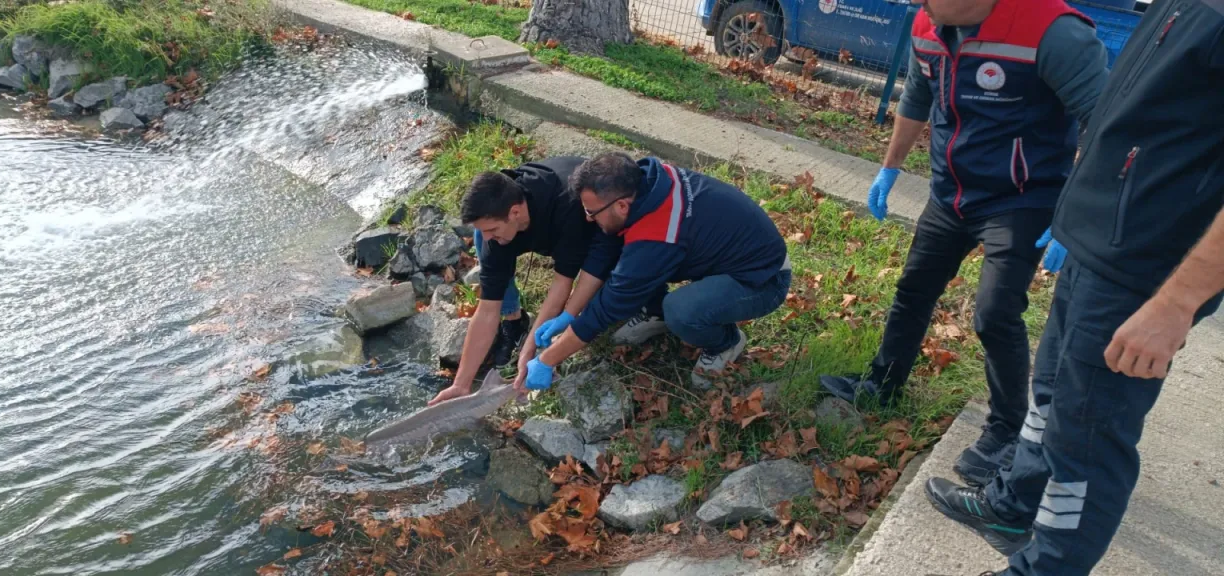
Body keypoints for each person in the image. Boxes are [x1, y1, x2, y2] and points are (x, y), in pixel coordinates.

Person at [922, 0, 1224, 573]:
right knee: (1050, 399)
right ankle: (1012, 506)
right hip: (1094, 239)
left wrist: (1177, 303)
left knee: (1088, 443)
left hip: (1143, 272)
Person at [818, 0, 1110, 487]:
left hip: (1022, 199)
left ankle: (1007, 430)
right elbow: (916, 97)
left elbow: (1105, 124)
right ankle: (882, 384)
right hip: (952, 193)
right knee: (913, 289)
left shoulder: (1052, 31)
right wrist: (889, 168)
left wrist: (1073, 211)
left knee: (995, 313)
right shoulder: (927, 24)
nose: (920, 4)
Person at [527, 152, 791, 390]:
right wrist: (569, 314)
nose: (587, 218)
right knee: (628, 260)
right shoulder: (645, 182)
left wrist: (547, 360)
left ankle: (726, 342)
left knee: (681, 310)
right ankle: (655, 312)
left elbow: (607, 307)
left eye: (591, 211)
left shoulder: (657, 235)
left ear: (620, 206)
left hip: (763, 278)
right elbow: (606, 248)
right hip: (726, 254)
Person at [427, 157, 620, 406]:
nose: (488, 238)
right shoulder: (499, 222)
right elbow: (487, 310)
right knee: (485, 244)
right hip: (531, 224)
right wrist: (461, 384)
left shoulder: (568, 207)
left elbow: (562, 285)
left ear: (515, 213)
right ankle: (514, 320)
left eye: (492, 229)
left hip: (590, 221)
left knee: (604, 278)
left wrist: (529, 349)